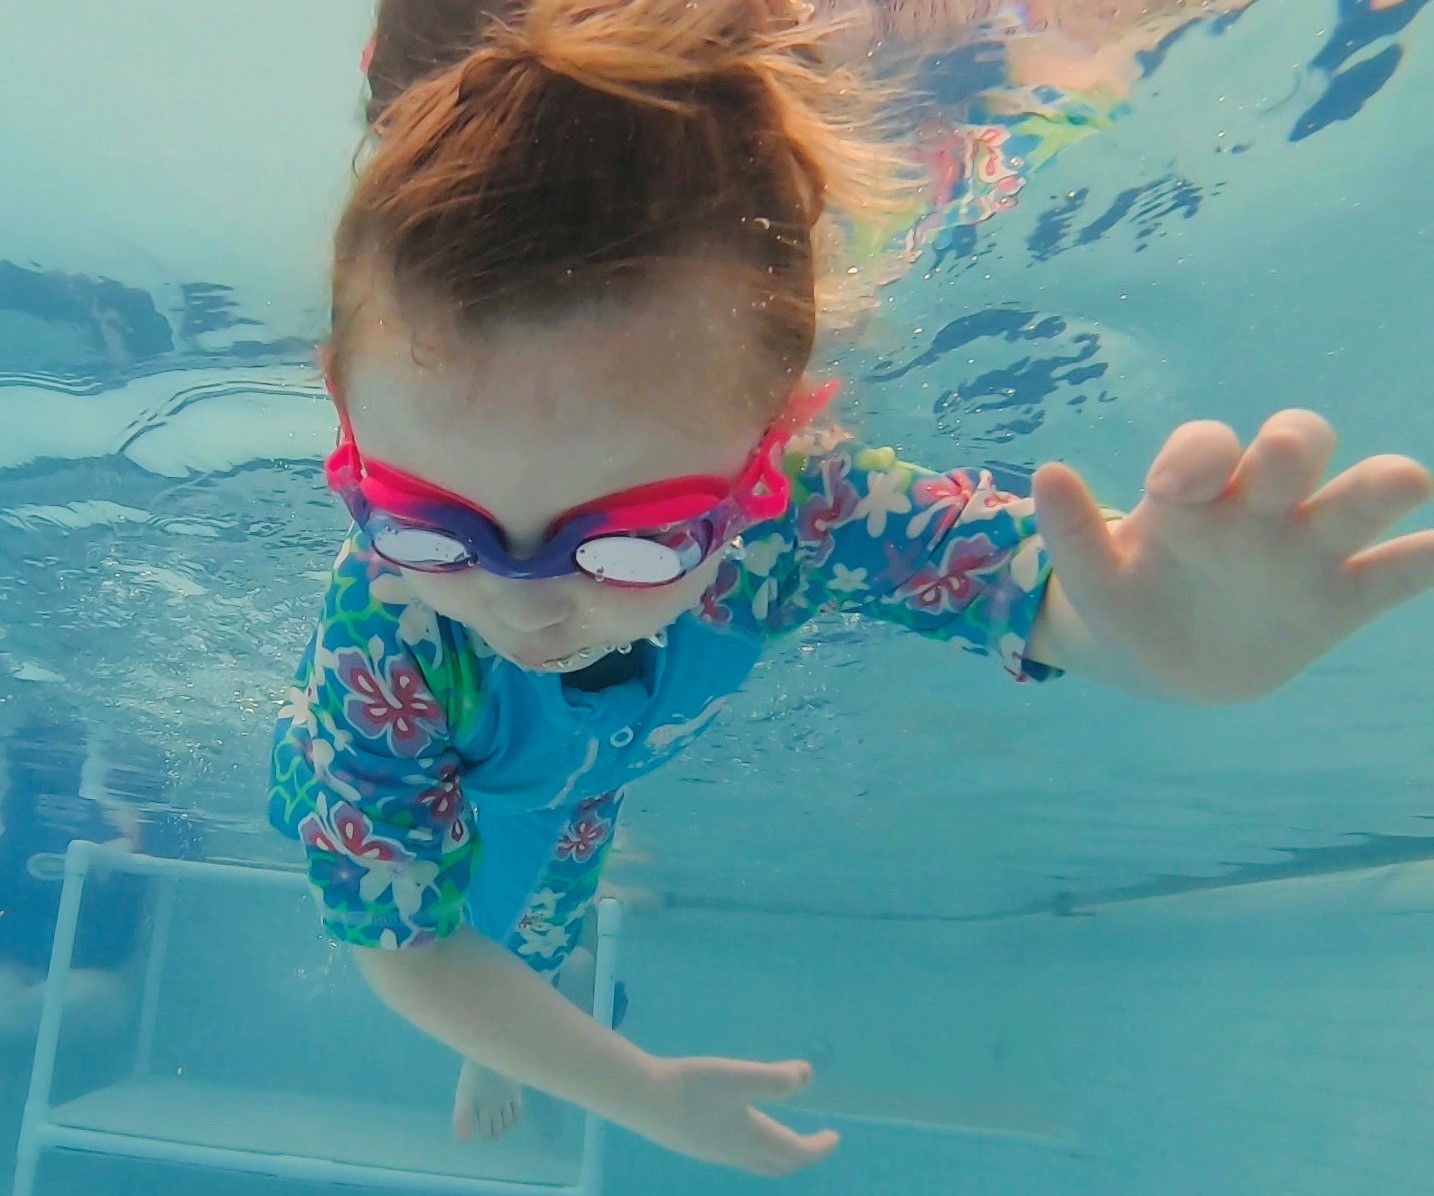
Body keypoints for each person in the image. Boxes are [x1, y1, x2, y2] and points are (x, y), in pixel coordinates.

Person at [269, 0, 1432, 1177]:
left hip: (587, 782)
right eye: (428, 525)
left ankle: (516, 1033)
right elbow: (402, 937)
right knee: (488, 898)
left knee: (558, 891)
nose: (524, 606)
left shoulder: (802, 514)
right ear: (342, 404)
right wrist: (642, 1091)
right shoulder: (386, 641)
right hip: (479, 762)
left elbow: (1035, 587)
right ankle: (514, 1038)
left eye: (626, 547)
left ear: (772, 442)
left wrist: (1161, 651)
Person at [0, 712, 179, 1046]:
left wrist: (131, 838)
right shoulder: (21, 825)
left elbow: (184, 841)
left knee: (52, 1003)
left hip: (102, 982)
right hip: (16, 967)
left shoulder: (142, 826)